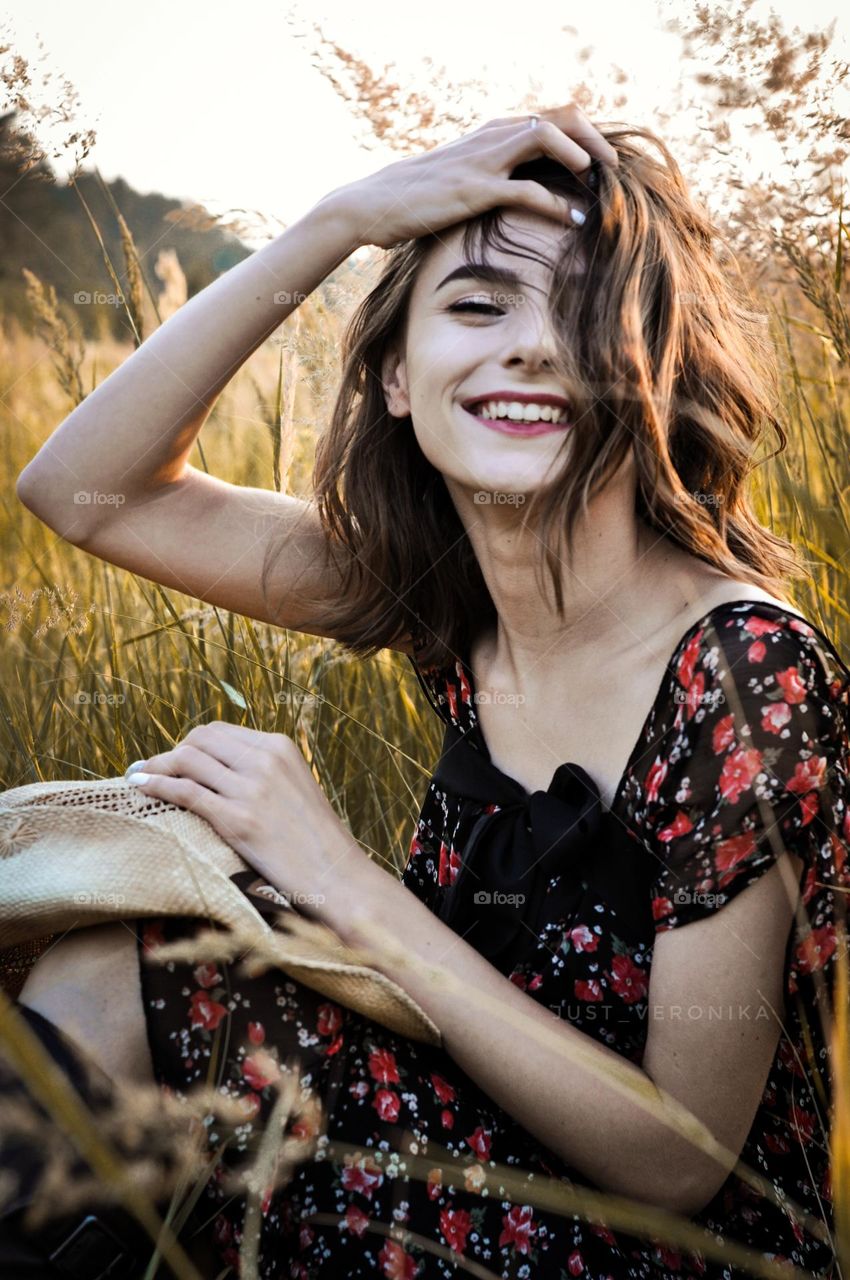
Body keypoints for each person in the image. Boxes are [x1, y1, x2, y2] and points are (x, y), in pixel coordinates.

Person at [8, 104, 849, 1278]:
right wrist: (343, 220)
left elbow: (683, 1158)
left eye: (586, 310)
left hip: (673, 1241)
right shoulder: (449, 594)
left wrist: (335, 874)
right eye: (475, 305)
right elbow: (86, 487)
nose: (532, 344)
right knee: (109, 964)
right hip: (468, 1139)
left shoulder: (742, 670)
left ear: (655, 367)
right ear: (398, 377)